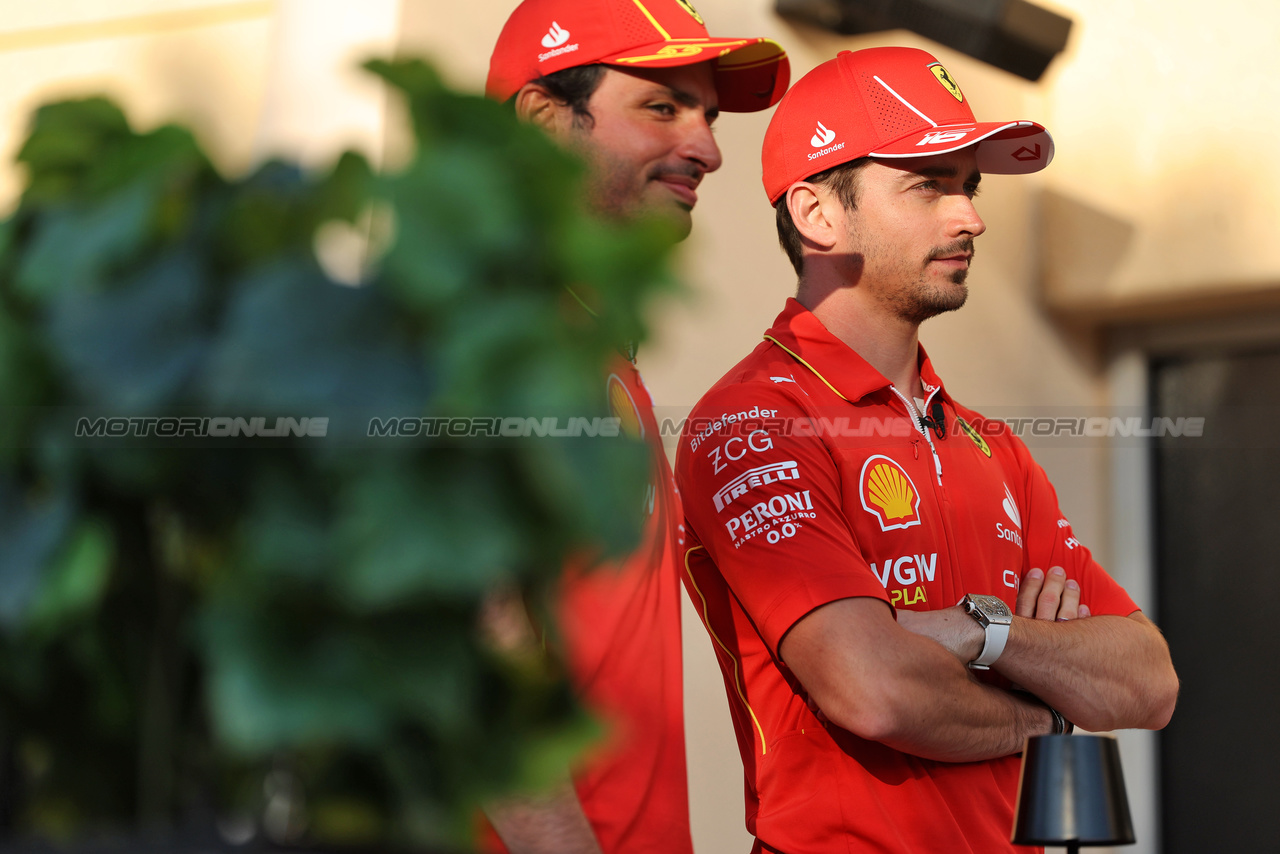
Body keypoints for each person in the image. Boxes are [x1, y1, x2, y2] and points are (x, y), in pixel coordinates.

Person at [674, 47, 1178, 853]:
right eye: (927, 185)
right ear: (817, 214)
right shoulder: (752, 422)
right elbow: (875, 690)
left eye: (968, 186)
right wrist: (1050, 708)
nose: (969, 218)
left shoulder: (993, 445)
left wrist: (985, 633)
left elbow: (1148, 681)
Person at [482, 3, 789, 852]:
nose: (709, 148)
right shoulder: (496, 329)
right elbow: (475, 628)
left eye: (710, 116)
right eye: (663, 107)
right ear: (546, 120)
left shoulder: (584, 337)